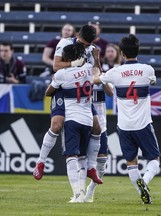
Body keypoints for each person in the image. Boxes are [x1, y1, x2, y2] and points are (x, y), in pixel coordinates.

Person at [94, 34, 161, 204]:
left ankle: (143, 193)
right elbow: (153, 82)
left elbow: (96, 79)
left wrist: (96, 63)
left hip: (124, 125)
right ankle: (144, 182)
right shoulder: (147, 69)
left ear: (121, 53)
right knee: (154, 159)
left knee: (131, 162)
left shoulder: (115, 72)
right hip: (143, 123)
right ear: (138, 51)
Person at [33, 25, 103, 185]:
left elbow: (96, 73)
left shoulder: (92, 49)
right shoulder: (64, 43)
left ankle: (91, 168)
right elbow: (56, 66)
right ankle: (40, 162)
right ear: (78, 35)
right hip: (63, 88)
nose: (85, 46)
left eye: (88, 44)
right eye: (84, 43)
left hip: (81, 92)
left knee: (97, 127)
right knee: (56, 125)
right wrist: (73, 65)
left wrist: (97, 60)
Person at [45, 43, 97, 203]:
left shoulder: (62, 74)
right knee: (82, 157)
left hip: (72, 119)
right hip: (88, 119)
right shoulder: (89, 68)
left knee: (71, 157)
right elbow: (97, 72)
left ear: (67, 58)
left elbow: (48, 92)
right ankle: (81, 193)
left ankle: (77, 195)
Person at [84, 44, 122, 203]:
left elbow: (110, 92)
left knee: (102, 162)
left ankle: (90, 190)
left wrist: (100, 74)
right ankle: (78, 191)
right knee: (80, 159)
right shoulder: (80, 74)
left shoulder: (102, 75)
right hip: (83, 122)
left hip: (101, 124)